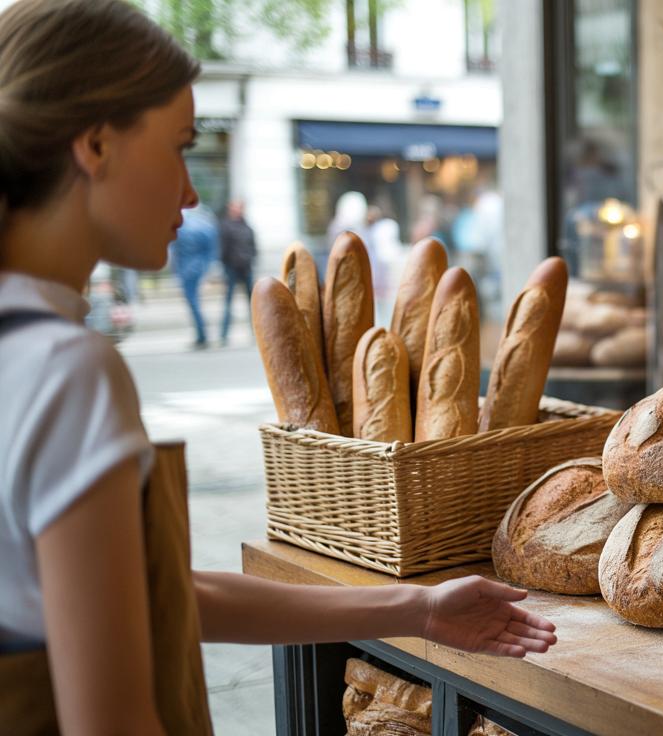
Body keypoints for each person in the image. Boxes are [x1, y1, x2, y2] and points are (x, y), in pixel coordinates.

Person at [0, 2, 555, 733]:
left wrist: (418, 608)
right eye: (180, 146)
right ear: (95, 144)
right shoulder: (67, 371)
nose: (192, 191)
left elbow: (150, 597)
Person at [170, 203, 218, 348]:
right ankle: (202, 334)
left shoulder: (182, 228)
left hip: (186, 270)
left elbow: (174, 252)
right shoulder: (204, 226)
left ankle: (202, 335)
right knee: (194, 302)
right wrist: (206, 266)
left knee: (193, 302)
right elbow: (210, 249)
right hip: (196, 268)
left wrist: (176, 272)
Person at [218, 198, 256, 345]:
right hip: (231, 268)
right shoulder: (225, 226)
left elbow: (253, 246)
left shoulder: (247, 226)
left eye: (239, 207)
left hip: (246, 268)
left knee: (252, 303)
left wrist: (250, 259)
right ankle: (224, 334)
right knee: (228, 302)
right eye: (235, 207)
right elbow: (222, 249)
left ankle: (256, 331)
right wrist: (226, 265)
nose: (237, 210)